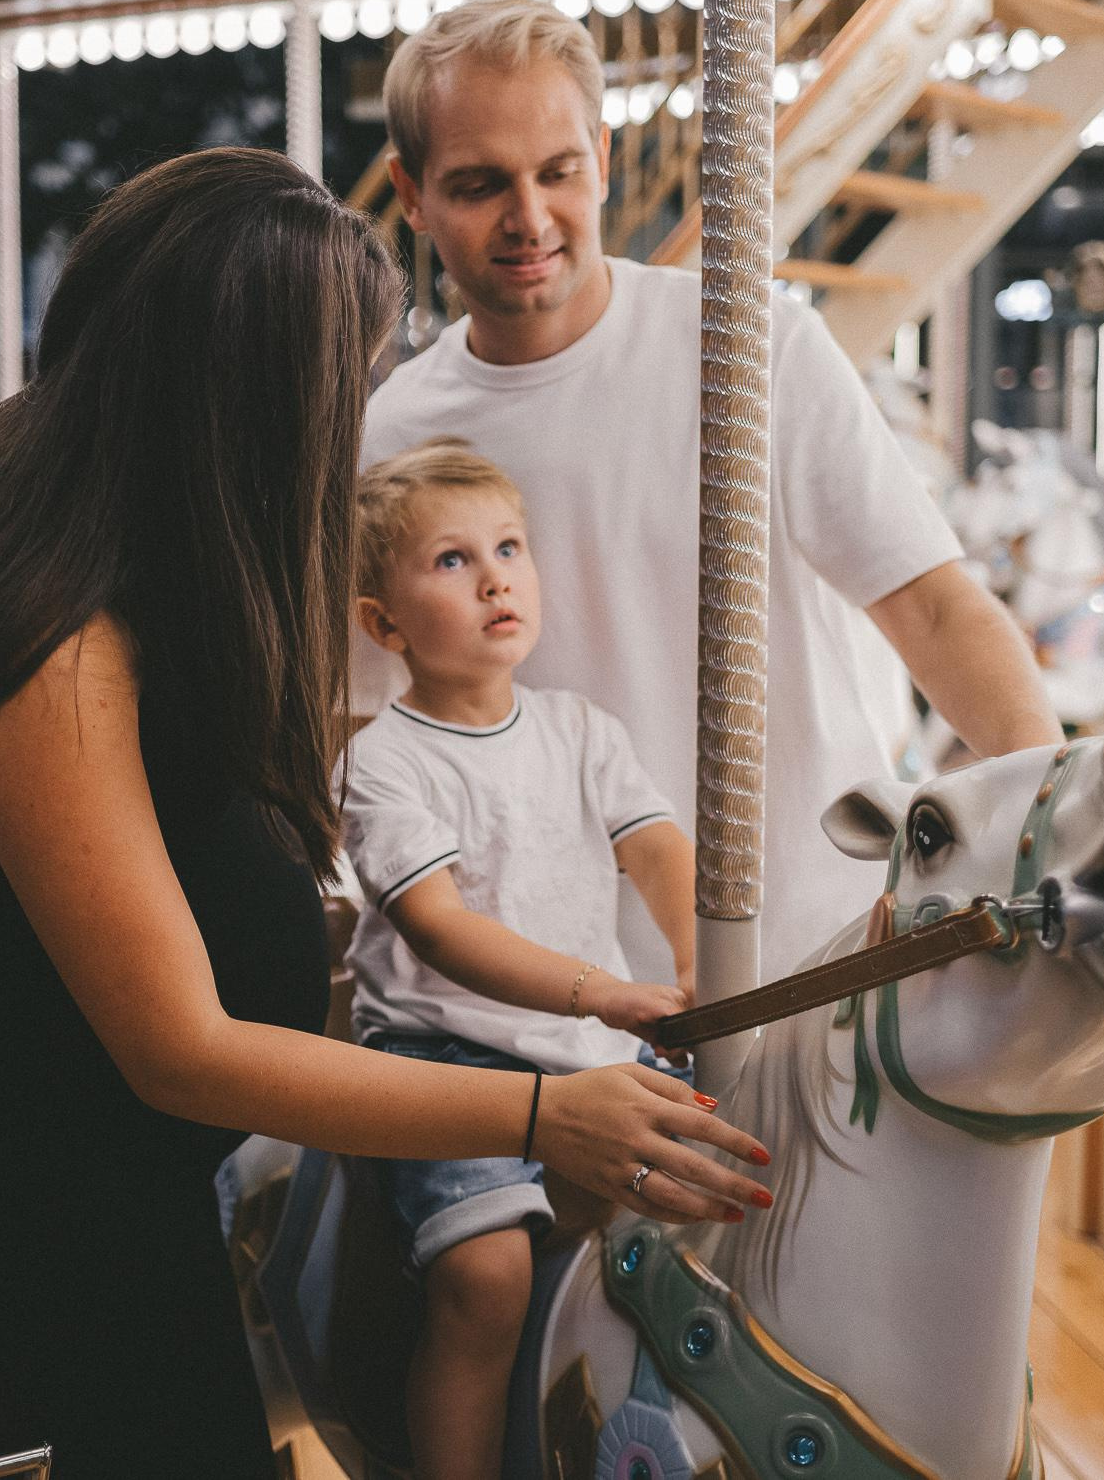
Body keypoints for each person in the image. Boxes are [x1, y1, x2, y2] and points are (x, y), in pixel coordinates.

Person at [0, 148, 772, 1478]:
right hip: (59, 1237)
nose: (356, 417)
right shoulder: (31, 623)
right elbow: (175, 1047)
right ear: (246, 395)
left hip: (152, 1190)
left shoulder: (85, 521)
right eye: (355, 381)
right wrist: (534, 1117)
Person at [360, 0, 1064, 992]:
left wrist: (1061, 816)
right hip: (559, 1007)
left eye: (557, 172)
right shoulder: (391, 436)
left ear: (601, 160)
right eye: (479, 185)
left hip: (814, 953)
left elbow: (933, 608)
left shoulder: (750, 346)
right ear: (411, 193)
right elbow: (372, 723)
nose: (529, 217)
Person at [341, 438, 747, 1480]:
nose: (495, 578)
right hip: (448, 1060)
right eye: (451, 560)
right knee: (485, 1278)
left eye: (509, 548)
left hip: (587, 1047)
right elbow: (439, 927)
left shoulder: (577, 728)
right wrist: (605, 992)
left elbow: (657, 849)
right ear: (383, 625)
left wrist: (700, 953)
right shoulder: (383, 762)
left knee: (732, 1198)